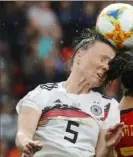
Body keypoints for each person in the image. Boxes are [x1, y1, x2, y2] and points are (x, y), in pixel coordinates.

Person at [15, 29, 124, 157]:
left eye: (109, 64)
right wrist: (26, 143)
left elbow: (102, 154)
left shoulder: (109, 106)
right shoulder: (42, 92)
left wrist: (108, 147)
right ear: (79, 56)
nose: (106, 67)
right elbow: (23, 134)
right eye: (103, 59)